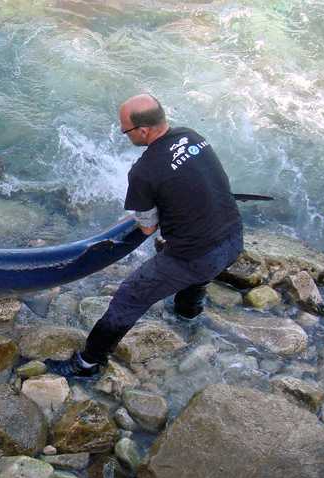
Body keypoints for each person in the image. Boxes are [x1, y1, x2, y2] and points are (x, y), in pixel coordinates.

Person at [46, 94, 244, 379]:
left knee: (128, 299)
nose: (125, 135)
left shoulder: (144, 171)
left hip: (195, 256)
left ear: (143, 130)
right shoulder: (192, 136)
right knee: (200, 267)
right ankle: (188, 312)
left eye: (125, 130)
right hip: (233, 239)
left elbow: (148, 228)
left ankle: (87, 364)